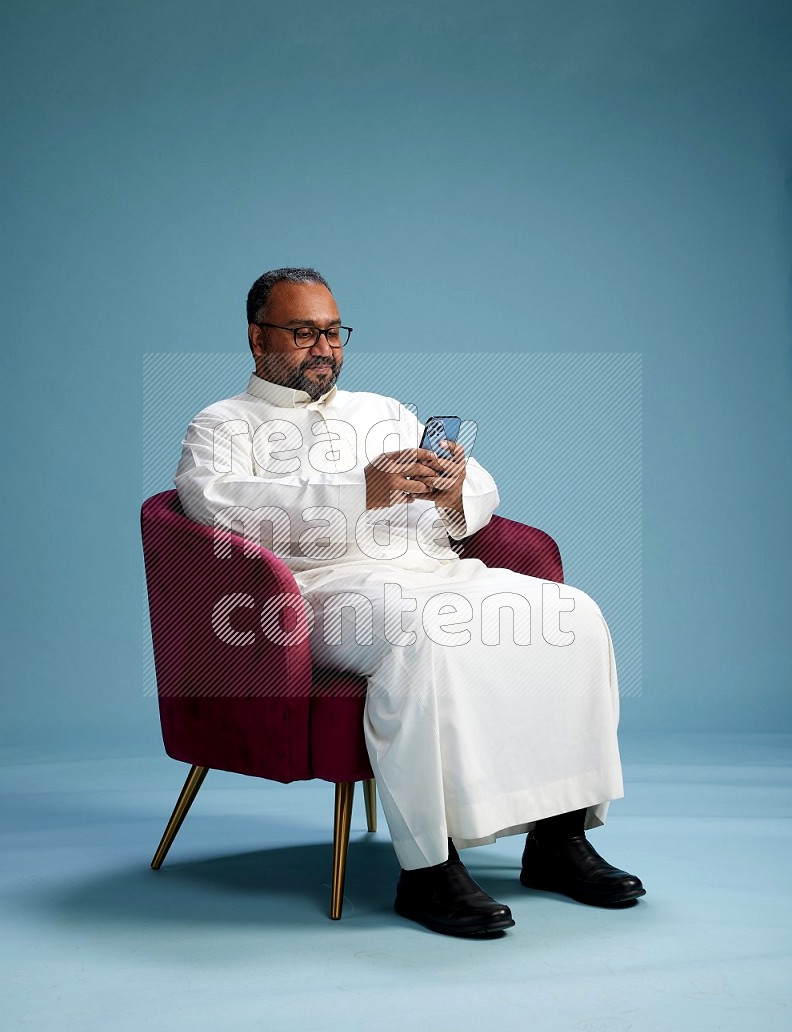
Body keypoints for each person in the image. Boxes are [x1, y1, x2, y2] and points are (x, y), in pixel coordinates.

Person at [174, 266, 645, 937]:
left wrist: (453, 491)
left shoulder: (383, 409)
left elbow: (476, 482)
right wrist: (356, 490)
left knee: (575, 616)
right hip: (322, 587)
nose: (324, 348)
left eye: (334, 333)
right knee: (427, 636)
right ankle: (429, 869)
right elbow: (216, 508)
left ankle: (559, 839)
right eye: (304, 332)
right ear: (257, 339)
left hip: (431, 564)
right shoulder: (222, 424)